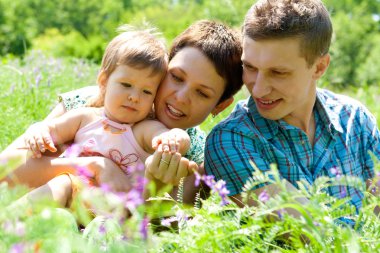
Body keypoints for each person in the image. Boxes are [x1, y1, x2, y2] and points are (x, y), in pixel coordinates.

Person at [0, 20, 243, 204]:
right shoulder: (94, 102)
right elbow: (5, 169)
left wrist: (155, 188)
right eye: (176, 77)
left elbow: (158, 228)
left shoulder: (196, 154)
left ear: (220, 106)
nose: (181, 97)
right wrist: (94, 165)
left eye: (202, 93)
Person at [205, 0, 380, 215]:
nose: (258, 90)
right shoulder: (232, 140)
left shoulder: (356, 121)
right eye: (249, 67)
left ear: (319, 67)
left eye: (278, 73)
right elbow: (314, 234)